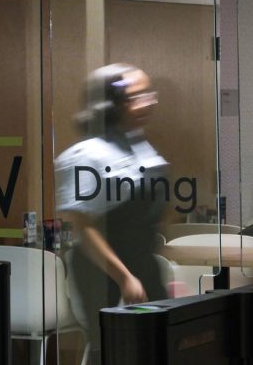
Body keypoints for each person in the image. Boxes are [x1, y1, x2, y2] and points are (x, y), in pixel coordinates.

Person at [56, 63, 169, 341]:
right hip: (104, 273)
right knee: (115, 356)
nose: (150, 101)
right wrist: (124, 277)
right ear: (112, 104)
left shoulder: (141, 146)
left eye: (149, 93)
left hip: (142, 265)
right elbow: (85, 227)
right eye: (138, 96)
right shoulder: (87, 155)